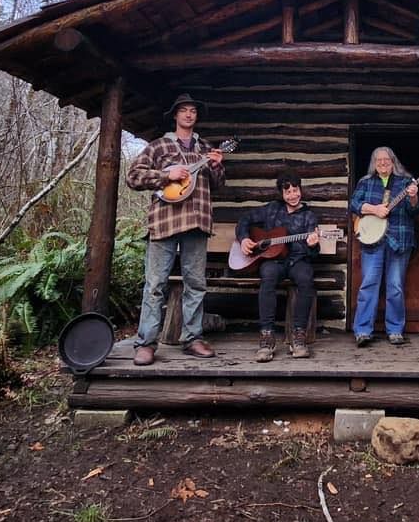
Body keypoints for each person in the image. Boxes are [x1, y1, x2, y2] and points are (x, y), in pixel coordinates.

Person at [125, 93, 225, 365]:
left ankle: (192, 338)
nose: (189, 115)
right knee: (155, 285)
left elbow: (217, 184)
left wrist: (216, 165)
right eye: (184, 110)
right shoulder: (159, 147)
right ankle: (146, 342)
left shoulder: (205, 148)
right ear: (175, 115)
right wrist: (165, 175)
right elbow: (133, 177)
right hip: (164, 222)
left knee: (196, 284)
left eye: (193, 110)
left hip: (197, 221)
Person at [235, 171, 320, 362]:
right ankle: (267, 335)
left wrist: (314, 244)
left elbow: (314, 253)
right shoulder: (272, 209)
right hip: (274, 261)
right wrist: (244, 238)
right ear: (281, 194)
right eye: (287, 191)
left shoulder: (309, 217)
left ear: (301, 190)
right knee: (268, 276)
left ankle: (298, 335)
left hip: (298, 261)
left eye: (295, 190)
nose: (292, 195)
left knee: (306, 279)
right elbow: (244, 220)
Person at [350, 147, 419, 346]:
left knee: (395, 287)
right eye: (378, 160)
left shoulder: (406, 182)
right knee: (368, 285)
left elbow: (415, 210)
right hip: (372, 240)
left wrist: (413, 196)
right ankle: (363, 331)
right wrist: (375, 209)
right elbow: (354, 204)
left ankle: (395, 330)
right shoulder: (366, 182)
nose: (382, 163)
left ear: (393, 162)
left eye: (386, 160)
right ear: (374, 163)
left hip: (399, 238)